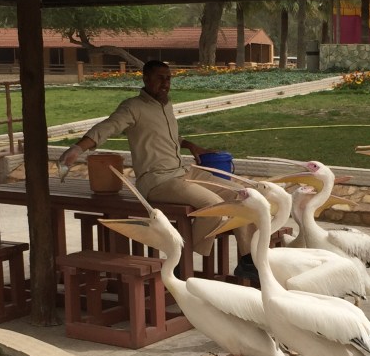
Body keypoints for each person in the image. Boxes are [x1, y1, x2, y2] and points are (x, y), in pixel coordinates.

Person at [60, 60, 259, 283]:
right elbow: (107, 127)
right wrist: (77, 148)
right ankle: (180, 260)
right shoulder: (133, 107)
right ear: (145, 79)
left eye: (168, 78)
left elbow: (168, 136)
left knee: (244, 195)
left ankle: (247, 260)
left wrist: (191, 145)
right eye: (159, 78)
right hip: (158, 181)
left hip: (183, 172)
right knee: (215, 207)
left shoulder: (165, 105)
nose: (165, 83)